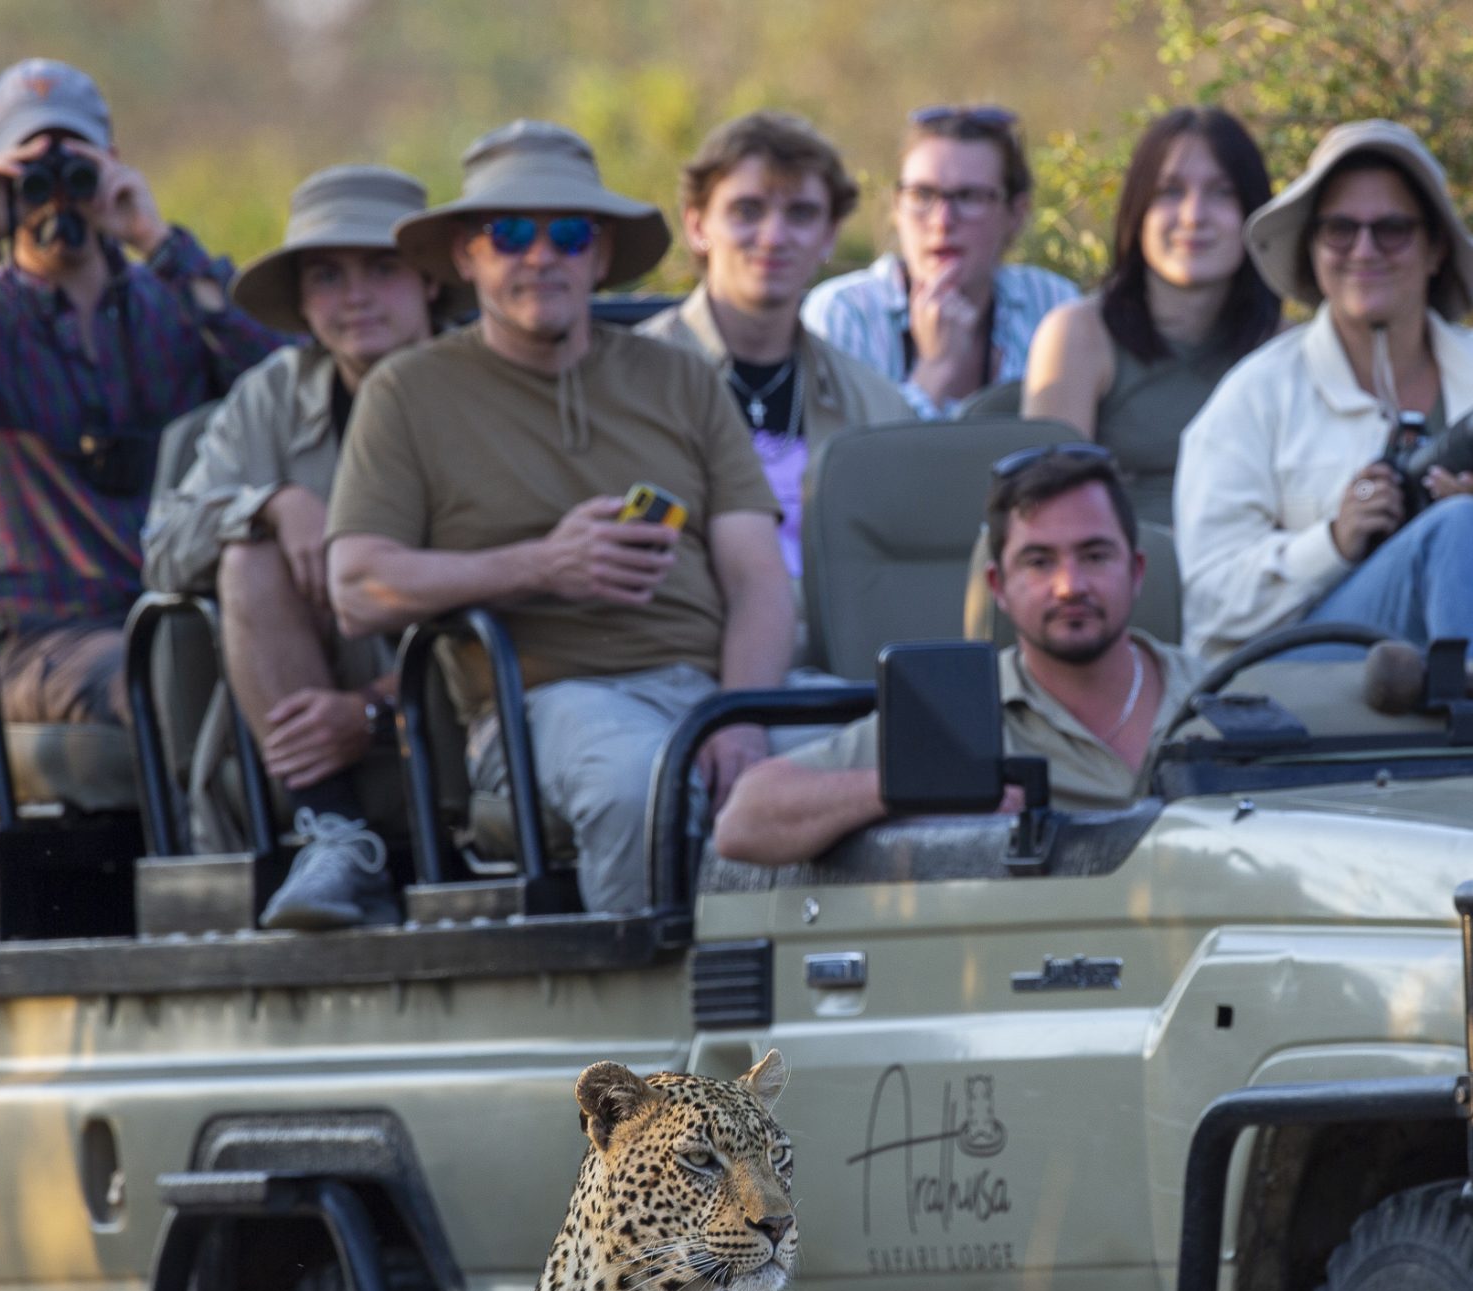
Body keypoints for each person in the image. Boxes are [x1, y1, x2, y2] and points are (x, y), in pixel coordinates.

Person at [326, 121, 793, 916]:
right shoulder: (408, 393)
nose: (541, 255)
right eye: (509, 233)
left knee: (914, 760)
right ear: (467, 254)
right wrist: (542, 565)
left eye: (570, 234)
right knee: (642, 784)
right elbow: (358, 587)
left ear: (601, 255)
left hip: (718, 693)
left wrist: (740, 717)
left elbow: (758, 576)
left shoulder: (682, 379)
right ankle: (641, 1024)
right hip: (546, 704)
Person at [0, 58, 281, 728]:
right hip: (48, 644)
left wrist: (157, 241)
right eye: (29, 174)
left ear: (111, 162)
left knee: (275, 666)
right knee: (167, 682)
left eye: (75, 168)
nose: (57, 194)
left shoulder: (170, 306)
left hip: (188, 609)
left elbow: (285, 379)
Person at [1175, 120, 1473, 669]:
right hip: (1319, 672)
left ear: (1435, 250)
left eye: (1392, 229)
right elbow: (1211, 601)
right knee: (1463, 528)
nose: (1364, 250)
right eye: (1339, 229)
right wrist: (1333, 542)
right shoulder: (1255, 396)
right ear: (1312, 249)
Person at [141, 166, 446, 929]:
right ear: (304, 302)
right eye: (326, 275)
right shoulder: (273, 393)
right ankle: (332, 833)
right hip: (313, 689)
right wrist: (273, 504)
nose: (356, 296)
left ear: (432, 281)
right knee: (245, 551)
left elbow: (530, 575)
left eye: (383, 267)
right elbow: (162, 547)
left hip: (467, 689)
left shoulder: (482, 385)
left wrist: (379, 713)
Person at [714, 445, 1195, 866]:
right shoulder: (955, 717)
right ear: (998, 587)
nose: (1070, 585)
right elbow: (744, 820)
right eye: (1039, 562)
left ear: (1135, 571)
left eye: (1094, 556)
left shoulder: (1226, 694)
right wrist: (919, 789)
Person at [638, 113, 909, 586]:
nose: (774, 236)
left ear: (829, 235)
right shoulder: (629, 374)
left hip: (835, 655)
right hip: (682, 645)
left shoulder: (877, 405)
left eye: (801, 213)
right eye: (747, 210)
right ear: (697, 224)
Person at [1021, 107, 1278, 529]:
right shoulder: (1079, 335)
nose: (1194, 216)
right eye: (1170, 192)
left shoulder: (1284, 348)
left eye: (1222, 192)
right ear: (1137, 212)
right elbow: (1047, 516)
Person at [801, 106, 1078, 420]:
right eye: (922, 194)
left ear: (1016, 213)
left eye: (969, 197)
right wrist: (935, 369)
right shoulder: (844, 314)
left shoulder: (1051, 305)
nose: (942, 221)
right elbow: (846, 463)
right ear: (897, 208)